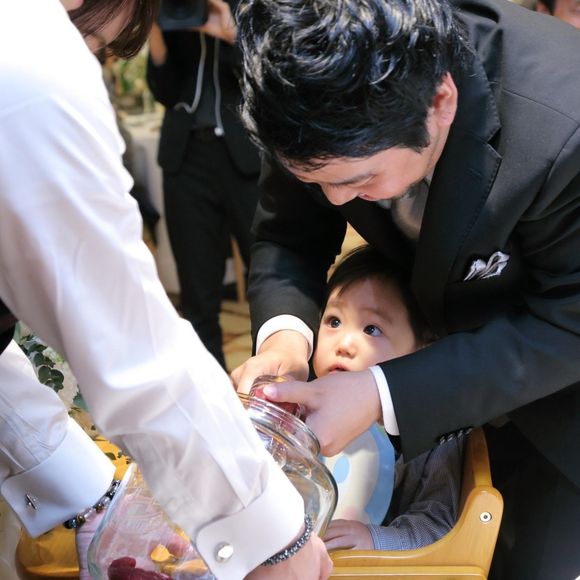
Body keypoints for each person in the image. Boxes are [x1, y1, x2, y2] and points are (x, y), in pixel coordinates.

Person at [230, 0, 580, 578]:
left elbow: (571, 319)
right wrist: (285, 344)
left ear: (440, 102)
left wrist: (380, 392)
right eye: (316, 181)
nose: (334, 201)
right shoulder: (301, 92)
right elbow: (289, 236)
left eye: (359, 179)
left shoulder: (562, 128)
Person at [0, 1, 332, 579]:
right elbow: (129, 348)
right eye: (94, 50)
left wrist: (95, 496)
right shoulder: (29, 59)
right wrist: (274, 538)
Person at [312, 246, 462, 551]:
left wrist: (375, 539)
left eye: (372, 329)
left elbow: (438, 524)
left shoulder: (436, 434)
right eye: (334, 321)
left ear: (421, 351)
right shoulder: (303, 404)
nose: (344, 344)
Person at [146, 0, 262, 369]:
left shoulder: (247, 7)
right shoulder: (175, 9)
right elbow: (165, 92)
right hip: (186, 158)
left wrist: (232, 34)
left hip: (247, 157)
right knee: (197, 291)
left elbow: (268, 80)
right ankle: (212, 391)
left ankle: (277, 383)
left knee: (267, 274)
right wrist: (154, 27)